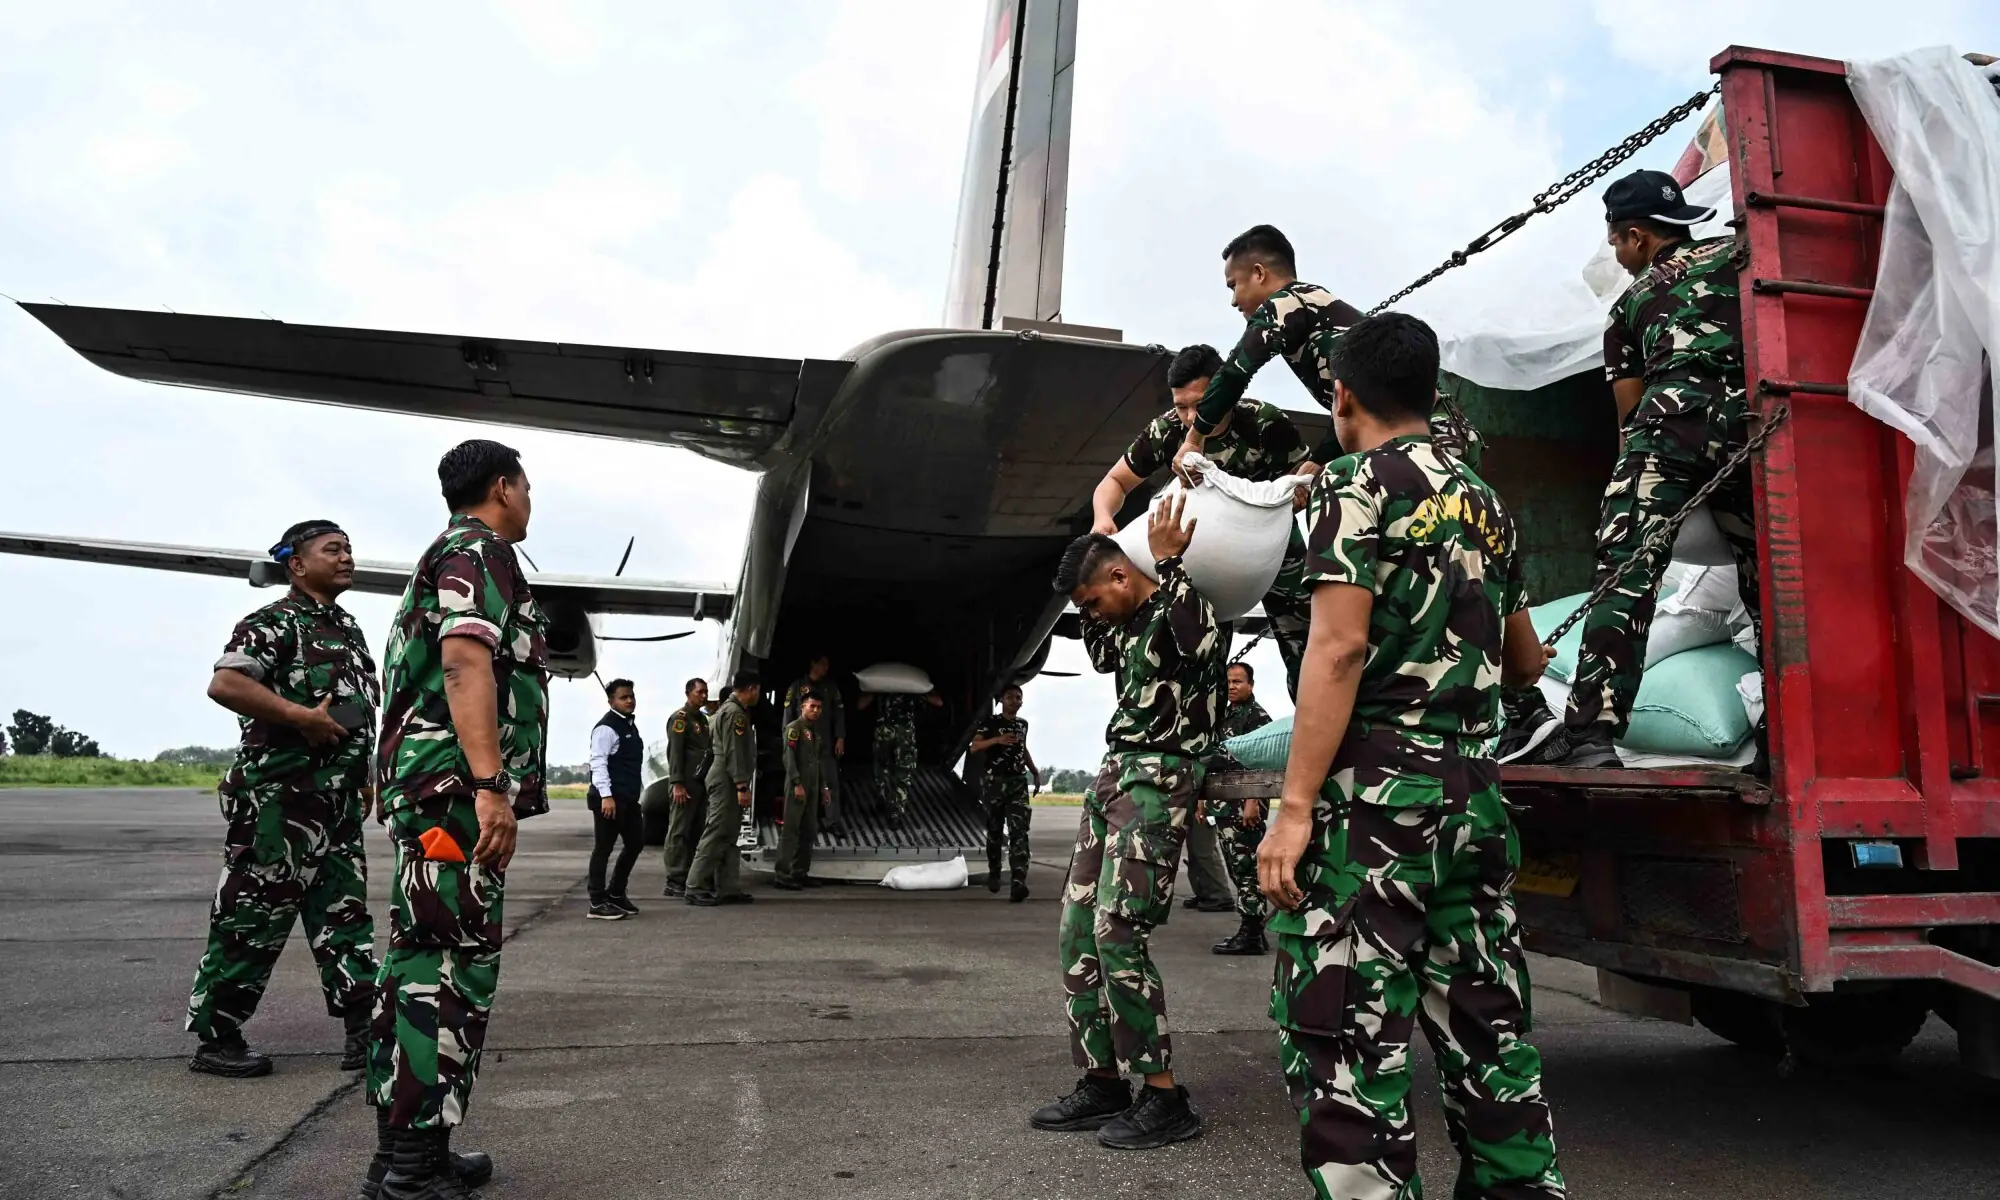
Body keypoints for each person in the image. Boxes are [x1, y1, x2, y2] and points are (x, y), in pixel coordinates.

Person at [1256, 314, 1564, 1197]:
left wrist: (1293, 808)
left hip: (1375, 810)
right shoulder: (1486, 500)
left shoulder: (1354, 484)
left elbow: (1339, 648)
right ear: (1432, 394)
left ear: (1341, 395)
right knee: (1490, 1035)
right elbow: (1528, 661)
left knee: (1348, 1047)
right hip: (1472, 796)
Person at [1511, 169, 1758, 770]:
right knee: (1763, 585)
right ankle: (1778, 734)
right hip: (1751, 434)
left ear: (1638, 237)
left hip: (1664, 437)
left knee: (1626, 573)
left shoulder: (1629, 303)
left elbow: (1628, 409)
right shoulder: (1738, 259)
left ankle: (1592, 733)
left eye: (1618, 243)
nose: (1618, 257)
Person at [363, 438, 547, 1197]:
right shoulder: (480, 553)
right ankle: (411, 1172)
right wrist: (490, 784)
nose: (531, 500)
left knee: (416, 965)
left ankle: (408, 1155)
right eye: (528, 486)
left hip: (430, 785)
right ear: (502, 487)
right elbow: (465, 662)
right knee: (444, 974)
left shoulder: (443, 556)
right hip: (454, 792)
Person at [1029, 492, 1221, 1151]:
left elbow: (1204, 641)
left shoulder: (1181, 607)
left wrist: (1169, 564)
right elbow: (1103, 655)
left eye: (1091, 601)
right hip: (1113, 776)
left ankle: (1165, 1098)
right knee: (1076, 932)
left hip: (1158, 780)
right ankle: (1102, 1080)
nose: (1090, 615)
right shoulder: (1129, 627)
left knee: (1119, 933)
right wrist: (1098, 537)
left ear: (1120, 576)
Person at [186, 519, 379, 1080]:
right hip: (279, 805)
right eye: (333, 549)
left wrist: (363, 776)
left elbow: (352, 711)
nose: (347, 557)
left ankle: (362, 1030)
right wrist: (300, 718)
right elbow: (226, 684)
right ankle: (217, 1038)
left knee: (344, 918)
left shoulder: (346, 628)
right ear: (296, 563)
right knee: (251, 918)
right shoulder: (271, 623)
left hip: (336, 803)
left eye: (349, 548)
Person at [1172, 224, 1484, 480]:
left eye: (1233, 285)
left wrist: (1194, 439)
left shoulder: (1286, 302)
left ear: (1259, 273)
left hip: (1424, 438)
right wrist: (1319, 460)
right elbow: (1349, 405)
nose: (1233, 300)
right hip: (1446, 437)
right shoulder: (1315, 312)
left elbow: (1236, 371)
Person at [1093, 343, 1315, 698]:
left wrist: (1303, 491)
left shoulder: (1263, 422)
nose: (1191, 417)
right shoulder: (1166, 431)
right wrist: (1103, 518)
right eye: (1182, 406)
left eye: (1201, 403)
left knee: (1307, 643)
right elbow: (1114, 482)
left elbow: (1304, 475)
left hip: (1273, 552)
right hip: (1202, 559)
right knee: (1200, 655)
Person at [1208, 661, 1272, 957]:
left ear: (1251, 685)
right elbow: (1215, 760)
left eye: (1238, 682)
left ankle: (1251, 934)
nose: (1232, 687)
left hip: (1244, 808)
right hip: (1223, 806)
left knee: (1247, 871)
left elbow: (1261, 763)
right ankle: (1254, 930)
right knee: (1238, 869)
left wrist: (1252, 802)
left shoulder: (1258, 718)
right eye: (1229, 682)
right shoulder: (1224, 715)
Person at [686, 670, 761, 907]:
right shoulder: (734, 714)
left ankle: (728, 887)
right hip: (727, 779)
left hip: (727, 778)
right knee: (717, 832)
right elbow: (734, 753)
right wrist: (741, 785)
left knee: (729, 834)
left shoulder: (730, 711)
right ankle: (695, 886)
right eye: (757, 690)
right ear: (751, 689)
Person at [969, 682, 1039, 902]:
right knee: (995, 831)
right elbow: (974, 746)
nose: (1015, 701)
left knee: (1020, 831)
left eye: (1018, 697)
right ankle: (995, 872)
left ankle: (1018, 882)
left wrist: (1034, 771)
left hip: (1018, 783)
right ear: (1001, 700)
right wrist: (996, 740)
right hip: (995, 783)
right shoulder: (990, 723)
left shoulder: (1022, 725)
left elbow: (1022, 749)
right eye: (1010, 697)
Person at [585, 678, 644, 921]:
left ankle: (617, 894)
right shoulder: (606, 728)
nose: (629, 700)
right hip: (610, 799)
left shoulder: (629, 725)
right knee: (603, 848)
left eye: (631, 696)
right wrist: (606, 796)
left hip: (628, 799)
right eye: (623, 697)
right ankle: (597, 902)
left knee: (635, 843)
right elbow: (598, 763)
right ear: (611, 701)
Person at [859, 686, 944, 829]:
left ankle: (896, 811)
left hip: (903, 734)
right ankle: (884, 799)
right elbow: (861, 704)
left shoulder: (913, 688)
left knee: (903, 772)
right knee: (882, 768)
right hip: (888, 732)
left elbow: (938, 702)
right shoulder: (880, 686)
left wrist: (921, 692)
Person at [783, 654, 848, 835]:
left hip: (825, 743)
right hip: (803, 744)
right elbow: (787, 717)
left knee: (830, 782)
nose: (826, 668)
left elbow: (839, 714)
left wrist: (840, 737)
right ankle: (802, 823)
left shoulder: (830, 688)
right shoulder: (797, 687)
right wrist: (787, 742)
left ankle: (832, 821)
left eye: (827, 664)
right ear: (813, 663)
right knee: (803, 784)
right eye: (822, 664)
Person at [660, 677, 712, 898]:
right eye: (699, 692)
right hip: (685, 784)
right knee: (679, 831)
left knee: (696, 830)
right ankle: (675, 878)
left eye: (705, 692)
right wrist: (676, 783)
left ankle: (690, 875)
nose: (704, 696)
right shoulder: (679, 720)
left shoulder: (703, 719)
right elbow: (675, 753)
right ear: (688, 693)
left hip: (699, 784)